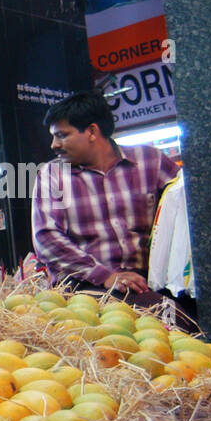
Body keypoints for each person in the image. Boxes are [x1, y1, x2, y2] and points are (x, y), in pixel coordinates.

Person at [31, 91, 180, 310]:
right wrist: (106, 276)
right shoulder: (52, 175)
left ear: (92, 131)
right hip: (86, 291)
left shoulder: (152, 161)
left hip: (151, 286)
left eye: (62, 135)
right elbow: (47, 239)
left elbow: (186, 213)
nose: (54, 144)